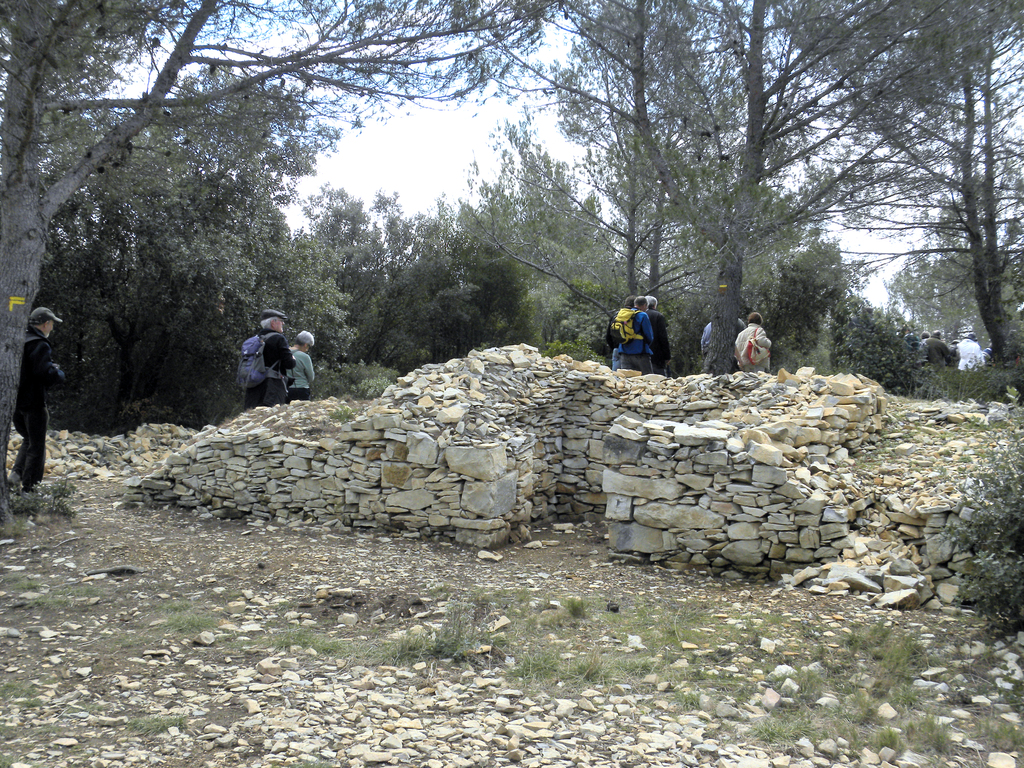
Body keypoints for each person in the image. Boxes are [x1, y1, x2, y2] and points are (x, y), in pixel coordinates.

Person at [9, 307, 66, 494]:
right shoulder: (40, 343)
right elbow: (43, 372)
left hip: (16, 403)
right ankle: (30, 489)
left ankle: (15, 475)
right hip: (34, 402)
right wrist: (58, 373)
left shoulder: (20, 339)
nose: (52, 327)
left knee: (28, 439)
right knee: (37, 446)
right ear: (46, 324)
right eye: (52, 324)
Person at [243, 309, 296, 410]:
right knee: (270, 418)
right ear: (273, 323)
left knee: (252, 418)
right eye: (281, 320)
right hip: (272, 386)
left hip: (253, 386)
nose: (283, 323)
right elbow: (289, 364)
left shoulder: (254, 340)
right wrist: (293, 358)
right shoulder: (279, 339)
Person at [618, 296, 654, 374]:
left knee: (627, 381)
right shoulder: (643, 315)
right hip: (640, 352)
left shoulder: (624, 314)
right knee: (647, 380)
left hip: (624, 351)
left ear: (635, 304)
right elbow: (649, 336)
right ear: (644, 305)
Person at [605, 296, 635, 371]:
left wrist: (614, 347)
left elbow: (608, 335)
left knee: (615, 376)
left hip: (616, 348)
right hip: (630, 350)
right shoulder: (634, 315)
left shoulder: (616, 315)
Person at [645, 296, 672, 376]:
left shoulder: (640, 315)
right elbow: (663, 337)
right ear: (654, 305)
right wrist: (667, 356)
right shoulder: (658, 316)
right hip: (657, 354)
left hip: (642, 353)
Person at [287, 331, 316, 402]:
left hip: (285, 389)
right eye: (309, 346)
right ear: (305, 345)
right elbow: (311, 377)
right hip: (302, 389)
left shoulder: (283, 353)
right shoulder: (305, 357)